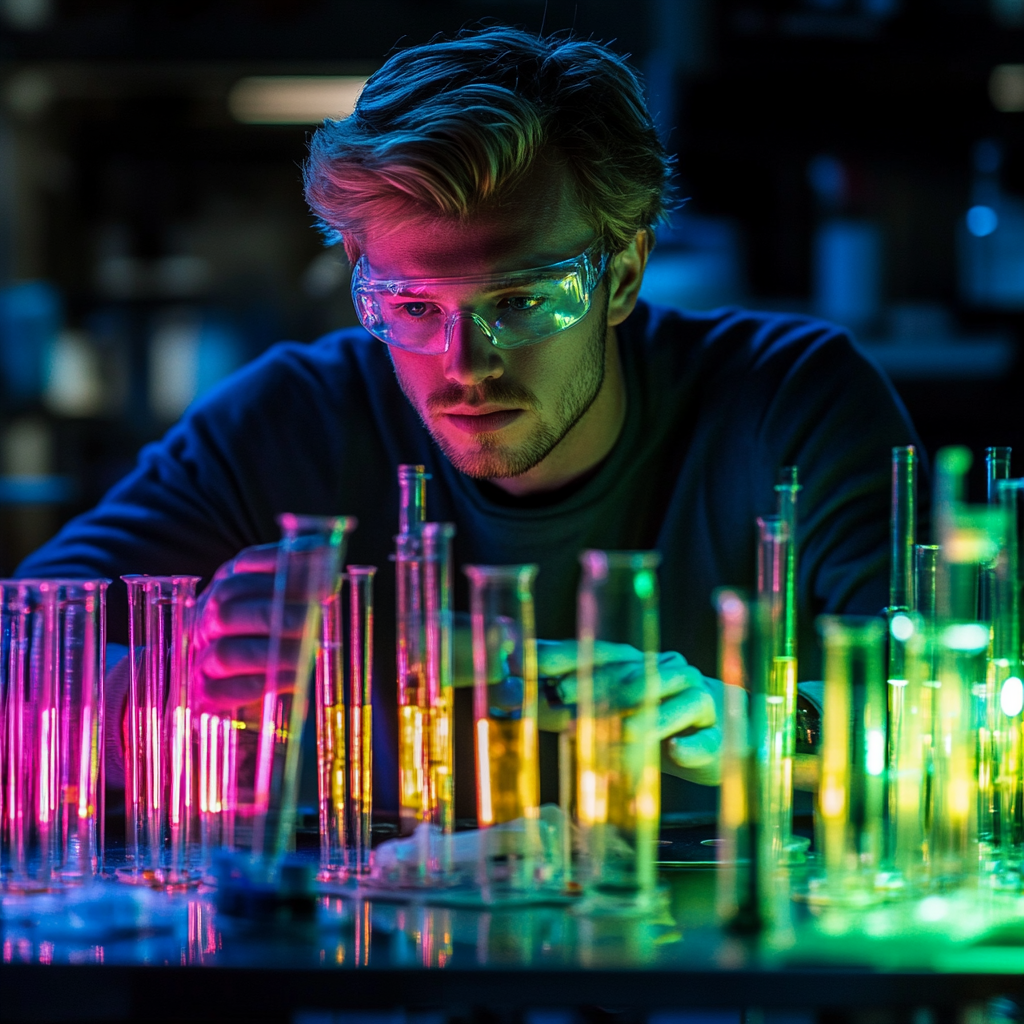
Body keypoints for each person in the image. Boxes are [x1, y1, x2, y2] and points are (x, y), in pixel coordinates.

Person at [17, 26, 920, 818]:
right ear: (362, 275)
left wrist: (761, 726)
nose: (465, 363)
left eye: (523, 299)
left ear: (626, 271)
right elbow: (22, 664)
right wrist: (167, 684)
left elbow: (959, 702)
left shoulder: (789, 401)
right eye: (412, 306)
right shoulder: (293, 418)